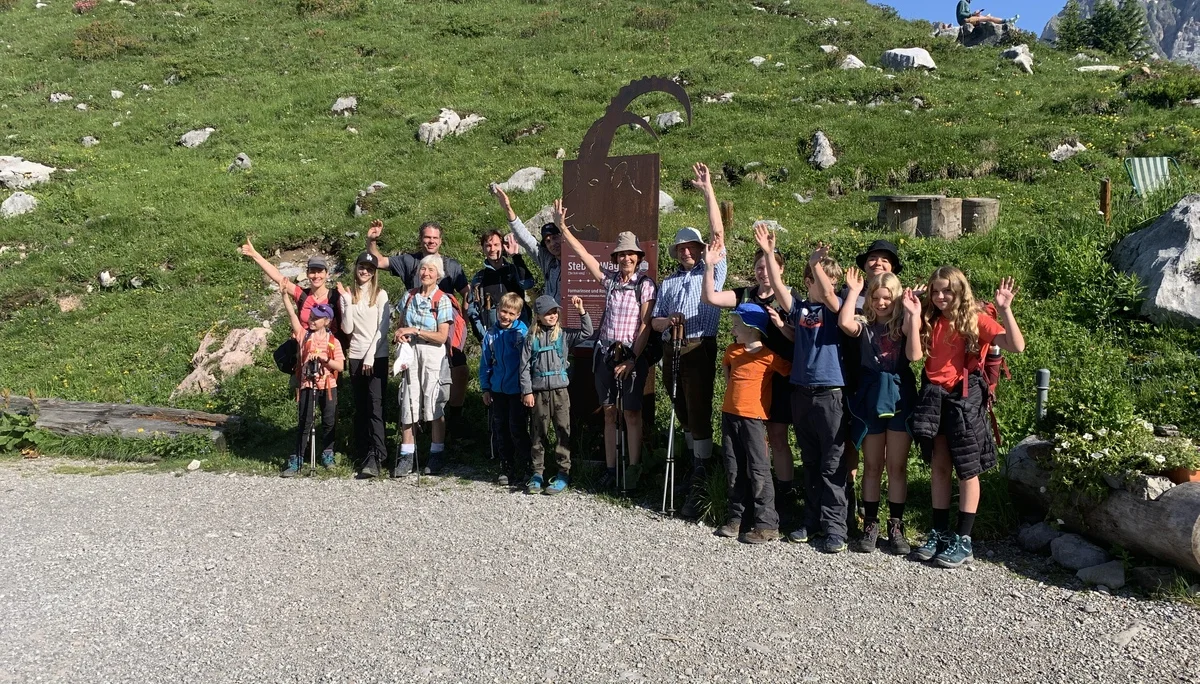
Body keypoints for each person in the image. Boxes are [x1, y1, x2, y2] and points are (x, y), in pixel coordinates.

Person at [910, 267, 1025, 568]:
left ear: (960, 290)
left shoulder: (975, 319)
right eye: (936, 290)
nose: (940, 296)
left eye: (947, 290)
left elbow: (1016, 345)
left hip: (964, 398)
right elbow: (912, 352)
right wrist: (914, 308)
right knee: (939, 466)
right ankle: (939, 532)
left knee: (967, 468)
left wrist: (1005, 310)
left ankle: (964, 539)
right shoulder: (930, 317)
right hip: (935, 397)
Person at [756, 223, 849, 554]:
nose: (829, 286)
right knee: (809, 461)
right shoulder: (802, 309)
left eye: (833, 282)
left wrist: (816, 263)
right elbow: (780, 289)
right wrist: (768, 252)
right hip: (801, 392)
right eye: (821, 278)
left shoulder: (837, 310)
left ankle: (836, 527)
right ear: (807, 281)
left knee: (832, 464)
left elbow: (831, 298)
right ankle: (811, 521)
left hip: (830, 394)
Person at [554, 199, 656, 492]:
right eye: (622, 254)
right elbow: (583, 255)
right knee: (609, 411)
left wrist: (633, 359)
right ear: (617, 257)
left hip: (630, 356)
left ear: (638, 257)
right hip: (605, 354)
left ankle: (634, 472)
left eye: (631, 254)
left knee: (632, 413)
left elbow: (646, 325)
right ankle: (612, 470)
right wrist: (563, 228)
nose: (626, 259)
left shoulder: (645, 285)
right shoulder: (609, 280)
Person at [702, 239, 798, 523]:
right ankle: (752, 502)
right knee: (752, 442)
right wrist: (709, 265)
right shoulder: (745, 295)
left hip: (780, 370)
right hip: (748, 374)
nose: (763, 272)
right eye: (759, 267)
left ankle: (784, 495)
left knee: (778, 438)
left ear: (780, 269)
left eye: (768, 266)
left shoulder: (788, 296)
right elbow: (710, 298)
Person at [652, 162, 727, 518]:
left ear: (699, 249)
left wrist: (708, 191)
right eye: (681, 248)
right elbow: (654, 322)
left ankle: (702, 472)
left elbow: (718, 233)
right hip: (672, 345)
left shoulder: (712, 267)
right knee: (678, 406)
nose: (686, 252)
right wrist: (668, 321)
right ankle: (692, 460)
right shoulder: (667, 283)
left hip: (698, 344)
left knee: (698, 408)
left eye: (691, 247)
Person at [837, 268, 922, 554]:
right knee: (872, 466)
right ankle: (869, 524)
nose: (882, 302)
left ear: (896, 298)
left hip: (899, 396)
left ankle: (896, 525)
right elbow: (845, 322)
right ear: (870, 299)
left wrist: (912, 313)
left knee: (896, 466)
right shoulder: (864, 324)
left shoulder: (903, 325)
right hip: (871, 397)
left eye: (887, 297)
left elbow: (914, 354)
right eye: (876, 297)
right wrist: (852, 291)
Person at [366, 219, 471, 441]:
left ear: (441, 241)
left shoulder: (452, 265)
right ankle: (420, 424)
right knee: (415, 380)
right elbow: (377, 261)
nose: (431, 241)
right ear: (420, 239)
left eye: (435, 238)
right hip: (414, 330)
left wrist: (465, 318)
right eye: (427, 237)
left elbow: (466, 291)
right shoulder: (408, 261)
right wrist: (371, 241)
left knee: (459, 369)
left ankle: (454, 419)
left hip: (444, 328)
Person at [715, 303, 792, 544]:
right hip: (730, 415)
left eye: (737, 324)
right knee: (733, 466)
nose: (733, 329)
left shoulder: (768, 356)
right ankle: (737, 518)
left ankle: (767, 524)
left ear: (751, 328)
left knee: (759, 468)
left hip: (755, 418)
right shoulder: (732, 351)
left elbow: (788, 371)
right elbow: (728, 370)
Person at [520, 294, 593, 495]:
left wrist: (581, 311)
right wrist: (526, 391)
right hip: (539, 393)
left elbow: (587, 331)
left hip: (560, 392)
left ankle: (563, 473)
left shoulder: (564, 335)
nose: (552, 316)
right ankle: (537, 473)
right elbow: (524, 367)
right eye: (547, 313)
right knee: (538, 433)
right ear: (538, 316)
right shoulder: (531, 338)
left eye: (554, 312)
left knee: (563, 431)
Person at [392, 255, 454, 476]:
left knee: (434, 401)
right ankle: (407, 456)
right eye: (423, 269)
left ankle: (436, 454)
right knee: (409, 400)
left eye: (431, 270)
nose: (426, 273)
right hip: (411, 353)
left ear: (439, 274)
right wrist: (400, 335)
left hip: (432, 355)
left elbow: (441, 336)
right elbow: (400, 326)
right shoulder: (409, 297)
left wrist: (415, 331)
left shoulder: (442, 300)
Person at [336, 252, 390, 479]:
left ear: (374, 272)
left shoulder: (380, 295)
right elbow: (347, 329)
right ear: (355, 267)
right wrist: (347, 303)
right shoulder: (348, 295)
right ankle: (362, 451)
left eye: (369, 267)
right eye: (362, 266)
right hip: (356, 356)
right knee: (361, 407)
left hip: (376, 356)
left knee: (375, 406)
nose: (365, 271)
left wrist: (370, 355)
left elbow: (383, 328)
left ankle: (378, 455)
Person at [281, 296, 344, 477]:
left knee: (329, 420)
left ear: (327, 321)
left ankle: (328, 454)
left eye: (317, 318)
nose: (312, 320)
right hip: (308, 384)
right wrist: (285, 297)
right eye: (312, 316)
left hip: (328, 385)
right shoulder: (304, 335)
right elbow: (292, 316)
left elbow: (340, 366)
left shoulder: (334, 342)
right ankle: (298, 458)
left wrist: (325, 359)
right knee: (305, 421)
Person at [241, 242, 344, 343]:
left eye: (320, 271)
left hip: (331, 352)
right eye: (312, 272)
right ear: (307, 274)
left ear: (327, 274)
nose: (316, 276)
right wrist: (255, 255)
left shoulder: (336, 296)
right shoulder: (302, 295)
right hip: (305, 350)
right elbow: (278, 277)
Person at [479, 292, 532, 487]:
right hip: (497, 389)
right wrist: (485, 387)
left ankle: (526, 464)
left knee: (517, 429)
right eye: (503, 311)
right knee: (500, 429)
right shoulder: (491, 334)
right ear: (497, 310)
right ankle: (506, 465)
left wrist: (527, 389)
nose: (506, 316)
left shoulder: (522, 334)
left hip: (517, 390)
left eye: (511, 313)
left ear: (518, 315)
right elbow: (485, 363)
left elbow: (528, 363)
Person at [491, 184, 563, 302]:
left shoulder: (575, 261)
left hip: (571, 316)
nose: (552, 244)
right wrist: (508, 208)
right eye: (548, 241)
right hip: (550, 315)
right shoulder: (547, 260)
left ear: (562, 237)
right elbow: (525, 239)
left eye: (555, 237)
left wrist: (562, 225)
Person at [468, 229, 535, 340]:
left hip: (519, 335)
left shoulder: (514, 270)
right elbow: (472, 310)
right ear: (483, 249)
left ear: (503, 246)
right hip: (493, 338)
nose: (492, 249)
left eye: (496, 244)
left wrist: (516, 257)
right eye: (488, 245)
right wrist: (485, 337)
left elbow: (528, 284)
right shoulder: (479, 278)